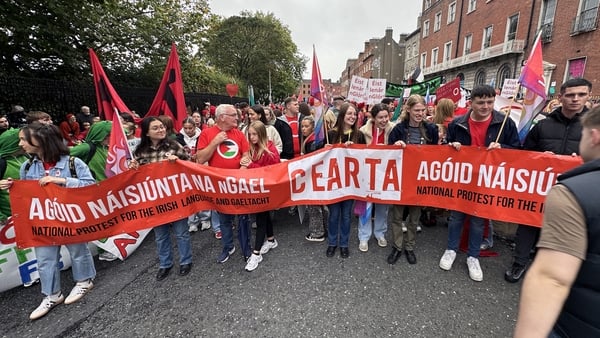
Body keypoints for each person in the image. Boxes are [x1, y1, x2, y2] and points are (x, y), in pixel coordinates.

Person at [514, 105, 600, 338]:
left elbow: (552, 278)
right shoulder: (543, 126)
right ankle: (519, 261)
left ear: (594, 136)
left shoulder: (574, 192)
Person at [0, 122, 96, 320]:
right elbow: (27, 194)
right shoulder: (27, 166)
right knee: (44, 258)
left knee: (78, 251)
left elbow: (91, 186)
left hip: (69, 217)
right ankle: (52, 294)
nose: (20, 144)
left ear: (39, 140)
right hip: (43, 220)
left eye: (23, 139)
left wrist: (62, 181)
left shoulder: (72, 163)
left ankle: (84, 280)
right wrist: (12, 187)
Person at [505, 77, 592, 283]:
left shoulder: (594, 129)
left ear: (588, 96)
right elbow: (525, 154)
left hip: (574, 191)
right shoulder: (543, 125)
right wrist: (539, 157)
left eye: (581, 95)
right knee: (528, 225)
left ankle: (554, 269)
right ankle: (520, 262)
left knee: (563, 230)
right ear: (560, 97)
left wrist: (582, 161)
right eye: (570, 95)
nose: (575, 99)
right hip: (538, 189)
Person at [438, 85, 520, 282]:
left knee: (477, 220)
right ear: (471, 103)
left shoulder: (504, 123)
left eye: (490, 102)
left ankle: (473, 256)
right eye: (481, 102)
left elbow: (518, 150)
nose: (485, 106)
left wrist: (503, 148)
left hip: (486, 180)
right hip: (462, 179)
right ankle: (451, 249)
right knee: (456, 217)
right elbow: (444, 148)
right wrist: (451, 146)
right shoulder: (458, 123)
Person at [129, 117, 192, 281]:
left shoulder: (173, 146)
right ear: (147, 133)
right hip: (155, 201)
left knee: (181, 232)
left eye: (162, 127)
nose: (161, 130)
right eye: (155, 128)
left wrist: (177, 162)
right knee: (161, 235)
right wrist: (133, 167)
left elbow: (191, 164)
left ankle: (186, 261)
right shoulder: (140, 151)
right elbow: (136, 176)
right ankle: (165, 264)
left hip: (175, 198)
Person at [387, 95, 439, 264]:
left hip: (419, 180)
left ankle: (409, 246)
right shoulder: (398, 129)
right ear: (408, 110)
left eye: (423, 110)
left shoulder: (431, 129)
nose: (420, 113)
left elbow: (436, 153)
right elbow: (387, 153)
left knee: (414, 217)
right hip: (401, 179)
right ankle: (397, 246)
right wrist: (395, 147)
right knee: (397, 216)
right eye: (417, 110)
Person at [195, 104, 250, 263]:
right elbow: (201, 159)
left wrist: (243, 166)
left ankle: (246, 247)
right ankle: (228, 247)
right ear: (222, 117)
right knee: (225, 220)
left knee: (242, 218)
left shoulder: (239, 134)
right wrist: (215, 142)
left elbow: (246, 155)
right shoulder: (207, 134)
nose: (237, 117)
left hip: (238, 183)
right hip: (219, 185)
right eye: (233, 115)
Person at [325, 102, 366, 258]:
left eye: (354, 114)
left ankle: (344, 244)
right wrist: (325, 147)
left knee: (347, 215)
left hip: (350, 183)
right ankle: (332, 243)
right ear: (342, 115)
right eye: (349, 113)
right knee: (334, 214)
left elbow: (365, 158)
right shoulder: (331, 133)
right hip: (334, 181)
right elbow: (319, 156)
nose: (352, 117)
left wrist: (353, 149)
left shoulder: (359, 135)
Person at [243, 121, 281, 271]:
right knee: (263, 217)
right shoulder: (253, 148)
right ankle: (271, 240)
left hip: (267, 190)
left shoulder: (270, 149)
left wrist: (250, 165)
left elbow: (272, 171)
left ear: (261, 134)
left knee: (261, 219)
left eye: (254, 134)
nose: (252, 137)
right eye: (250, 134)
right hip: (257, 190)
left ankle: (256, 252)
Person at [357, 103, 395, 252]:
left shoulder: (393, 129)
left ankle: (380, 233)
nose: (384, 120)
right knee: (366, 207)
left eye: (386, 116)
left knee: (382, 207)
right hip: (367, 175)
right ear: (373, 118)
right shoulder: (362, 132)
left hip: (385, 175)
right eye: (380, 117)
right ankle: (364, 236)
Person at [176, 117, 211, 233]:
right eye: (185, 128)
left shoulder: (202, 136)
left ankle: (205, 218)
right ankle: (192, 221)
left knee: (201, 193)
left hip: (199, 168)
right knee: (189, 195)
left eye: (190, 128)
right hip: (185, 170)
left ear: (195, 127)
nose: (188, 131)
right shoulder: (178, 139)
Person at [300, 115, 327, 242]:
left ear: (313, 127)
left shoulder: (313, 142)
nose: (303, 129)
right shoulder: (311, 139)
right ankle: (321, 228)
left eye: (307, 126)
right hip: (314, 176)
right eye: (302, 126)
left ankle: (317, 232)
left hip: (313, 177)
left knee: (313, 205)